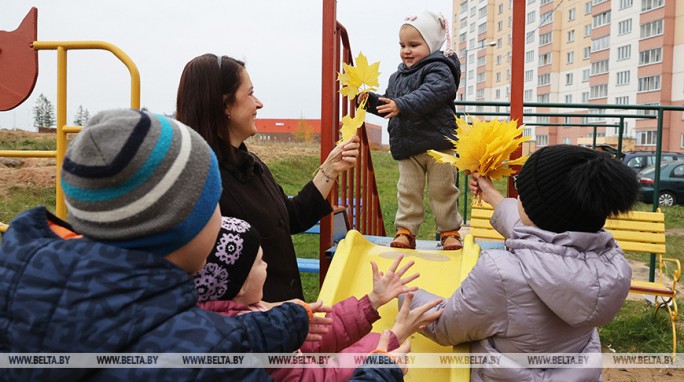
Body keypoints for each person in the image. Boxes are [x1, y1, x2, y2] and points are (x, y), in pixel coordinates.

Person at [0, 109, 400, 381]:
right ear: (181, 225)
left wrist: (277, 326)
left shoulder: (25, 282)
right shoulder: (208, 359)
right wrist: (380, 370)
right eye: (213, 206)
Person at [402, 144, 640, 381]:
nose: (517, 197)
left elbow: (444, 327)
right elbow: (540, 237)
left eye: (521, 192)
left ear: (537, 209)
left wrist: (404, 291)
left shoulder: (502, 274)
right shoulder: (607, 264)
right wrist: (492, 195)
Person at [176, 53, 361, 301]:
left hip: (281, 322)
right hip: (255, 330)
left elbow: (291, 217)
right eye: (250, 94)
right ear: (225, 105)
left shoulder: (252, 165)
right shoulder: (200, 184)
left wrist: (330, 169)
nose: (259, 104)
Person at [194, 215, 444, 381]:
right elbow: (318, 377)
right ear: (240, 283)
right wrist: (388, 344)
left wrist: (371, 302)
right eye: (260, 260)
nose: (267, 264)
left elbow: (313, 341)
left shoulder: (244, 316)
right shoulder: (250, 345)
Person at [362, 10, 463, 251]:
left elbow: (432, 93)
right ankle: (406, 231)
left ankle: (449, 231)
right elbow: (391, 104)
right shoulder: (397, 77)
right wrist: (369, 101)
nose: (406, 50)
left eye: (414, 45)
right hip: (408, 145)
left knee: (443, 190)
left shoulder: (440, 69)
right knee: (407, 191)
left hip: (439, 144)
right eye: (402, 45)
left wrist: (401, 104)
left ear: (432, 44)